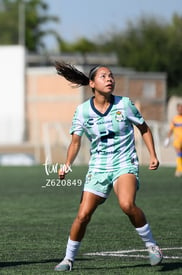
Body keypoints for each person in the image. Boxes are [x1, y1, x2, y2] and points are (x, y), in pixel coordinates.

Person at [53, 61, 163, 271]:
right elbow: (75, 142)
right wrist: (67, 164)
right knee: (83, 215)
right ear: (92, 84)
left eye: (111, 76)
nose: (109, 79)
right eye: (103, 76)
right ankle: (68, 259)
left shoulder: (125, 104)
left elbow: (144, 128)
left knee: (127, 205)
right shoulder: (83, 111)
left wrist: (153, 155)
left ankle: (152, 246)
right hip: (98, 167)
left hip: (124, 162)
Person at [164, 103, 182, 177]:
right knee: (179, 154)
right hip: (177, 140)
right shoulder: (175, 119)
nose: (180, 110)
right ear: (177, 109)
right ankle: (179, 170)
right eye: (179, 108)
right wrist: (167, 138)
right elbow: (171, 130)